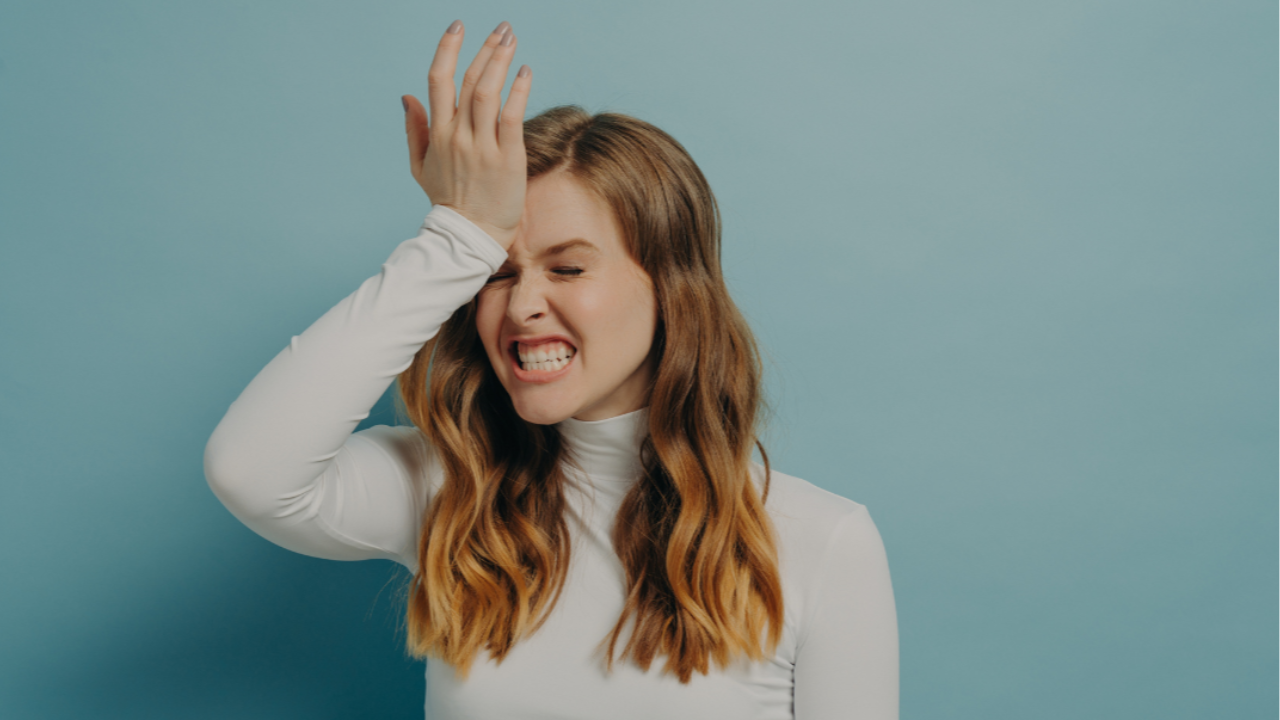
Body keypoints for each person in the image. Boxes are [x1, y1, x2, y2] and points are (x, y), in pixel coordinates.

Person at [203, 18, 898, 720]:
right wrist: (457, 240)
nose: (522, 306)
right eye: (498, 274)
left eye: (567, 267)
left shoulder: (822, 543)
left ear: (670, 289)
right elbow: (250, 471)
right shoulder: (449, 494)